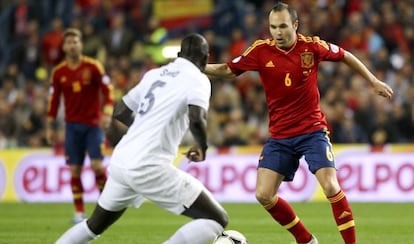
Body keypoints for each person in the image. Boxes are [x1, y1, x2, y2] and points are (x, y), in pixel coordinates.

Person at [204, 2, 393, 244]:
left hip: (312, 131)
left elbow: (346, 55)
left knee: (330, 186)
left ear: (295, 25)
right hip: (280, 136)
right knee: (263, 195)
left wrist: (373, 80)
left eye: (283, 26)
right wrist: (195, 67)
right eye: (273, 27)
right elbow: (227, 69)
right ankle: (305, 239)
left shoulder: (311, 46)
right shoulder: (260, 51)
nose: (278, 32)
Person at [55, 33, 228, 244]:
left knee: (95, 225)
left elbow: (120, 110)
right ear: (206, 57)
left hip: (121, 162)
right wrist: (201, 145)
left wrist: (144, 127)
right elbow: (197, 117)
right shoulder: (199, 79)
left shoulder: (155, 74)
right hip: (149, 166)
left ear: (179, 54)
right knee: (217, 219)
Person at [46, 28, 114, 223]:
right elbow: (54, 101)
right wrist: (50, 126)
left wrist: (107, 113)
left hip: (93, 125)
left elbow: (108, 91)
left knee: (97, 166)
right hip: (72, 127)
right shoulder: (59, 72)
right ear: (64, 47)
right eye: (69, 42)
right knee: (75, 170)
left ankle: (107, 206)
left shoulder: (93, 67)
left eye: (76, 42)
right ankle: (79, 212)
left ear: (81, 44)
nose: (72, 45)